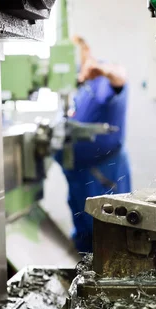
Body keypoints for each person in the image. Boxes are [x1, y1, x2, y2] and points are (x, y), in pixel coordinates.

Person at [55, 37, 130, 253]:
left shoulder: (102, 78)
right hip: (79, 176)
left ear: (86, 51)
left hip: (103, 174)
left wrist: (99, 68)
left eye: (71, 53)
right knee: (85, 233)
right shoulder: (77, 86)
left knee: (110, 232)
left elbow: (120, 76)